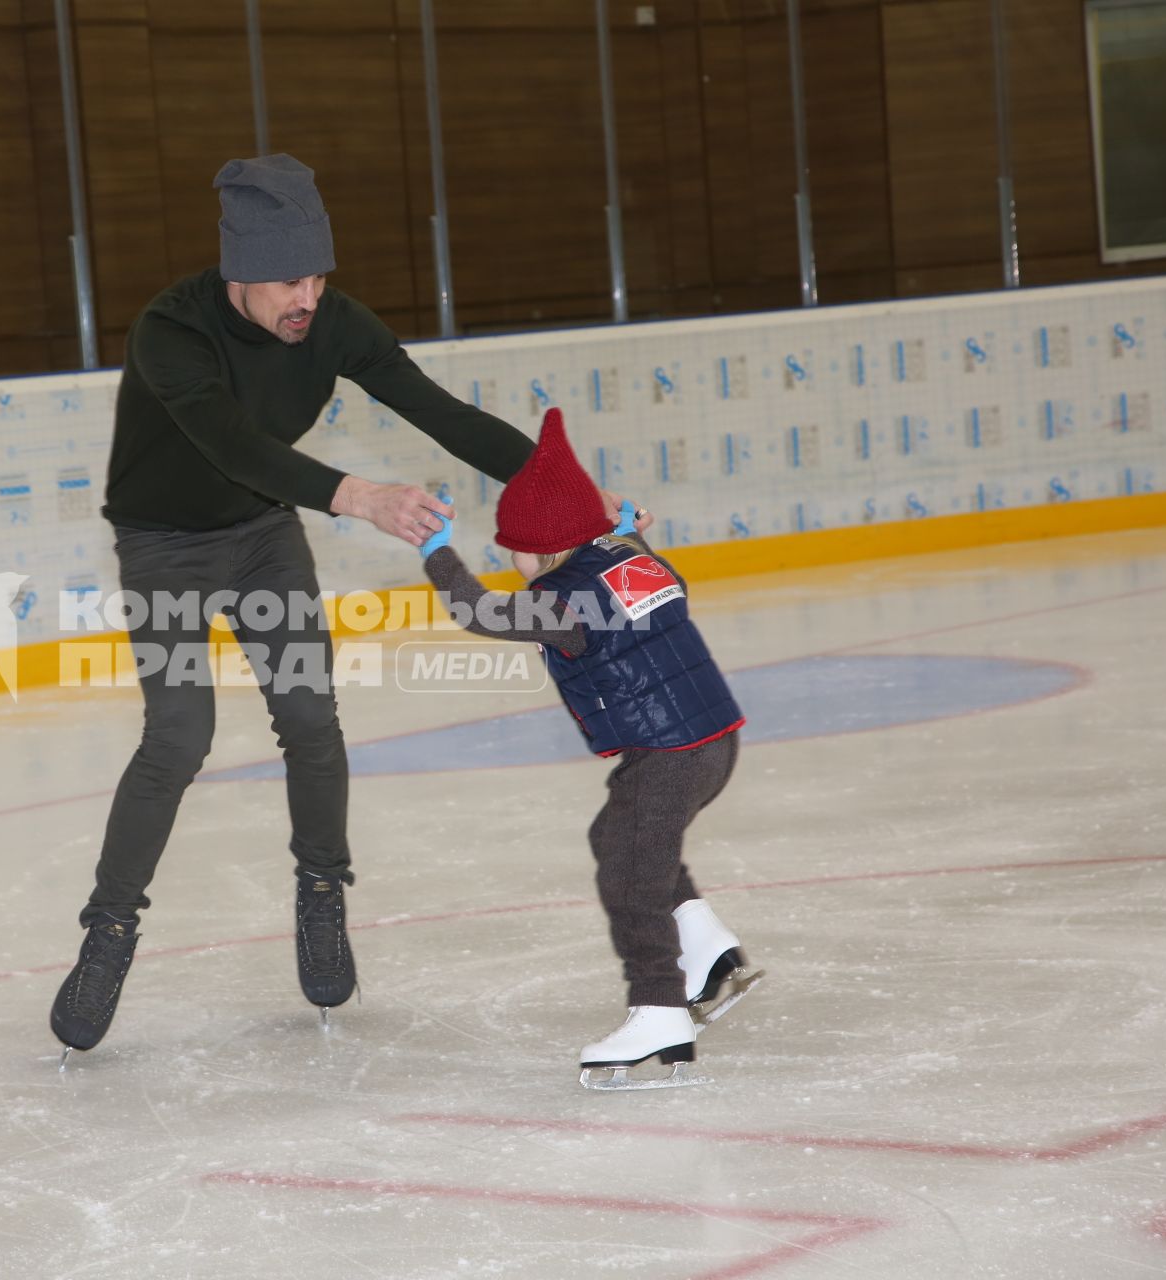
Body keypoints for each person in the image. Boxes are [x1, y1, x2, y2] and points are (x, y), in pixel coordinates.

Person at [50, 154, 537, 1060]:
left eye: (317, 276)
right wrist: (359, 497)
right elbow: (234, 445)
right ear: (238, 272)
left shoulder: (334, 324)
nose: (305, 299)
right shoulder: (171, 331)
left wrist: (568, 491)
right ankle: (109, 932)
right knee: (179, 737)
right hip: (164, 546)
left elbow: (439, 413)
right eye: (285, 282)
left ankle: (322, 893)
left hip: (264, 538)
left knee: (311, 718)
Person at [419, 408, 759, 1089]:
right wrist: (626, 522)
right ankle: (705, 942)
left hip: (666, 753)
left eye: (511, 547)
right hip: (714, 740)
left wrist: (437, 553)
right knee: (622, 837)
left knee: (630, 874)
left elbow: (478, 611)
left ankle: (660, 1006)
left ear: (540, 549)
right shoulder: (634, 557)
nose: (508, 560)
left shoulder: (564, 605)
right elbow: (645, 553)